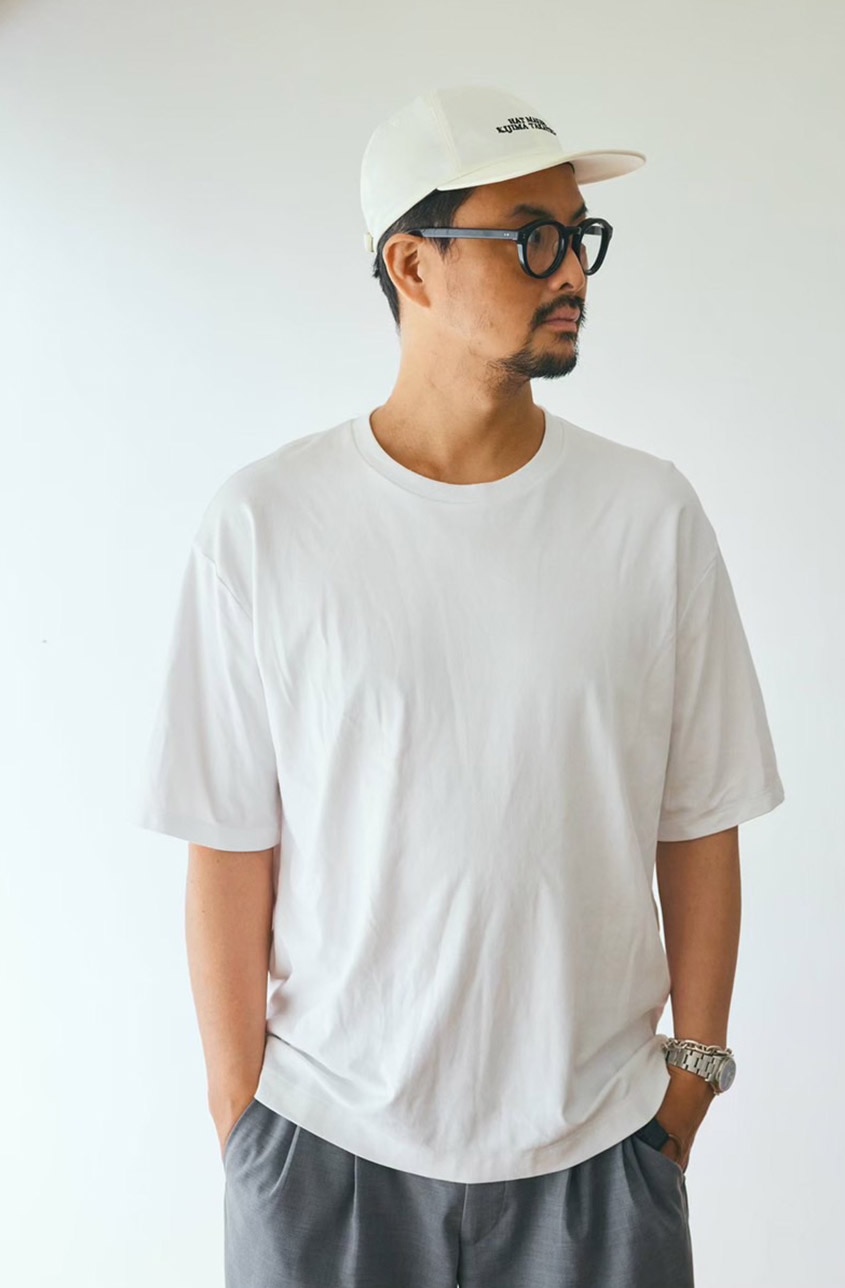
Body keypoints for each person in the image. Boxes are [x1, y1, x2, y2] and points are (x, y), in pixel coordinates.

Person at [132, 83, 785, 1288]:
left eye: (578, 236)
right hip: (325, 1149)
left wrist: (689, 1082)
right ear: (411, 265)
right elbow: (227, 840)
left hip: (599, 1151)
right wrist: (243, 1120)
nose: (570, 270)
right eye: (529, 237)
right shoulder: (267, 525)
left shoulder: (646, 516)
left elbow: (699, 817)